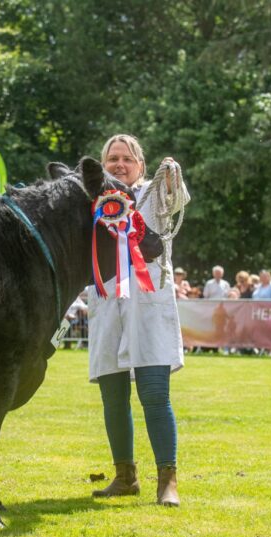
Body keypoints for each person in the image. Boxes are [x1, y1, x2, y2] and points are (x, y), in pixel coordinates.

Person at [85, 134, 188, 507]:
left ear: (141, 166)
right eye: (112, 158)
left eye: (127, 159)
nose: (119, 165)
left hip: (148, 304)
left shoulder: (151, 194)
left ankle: (168, 480)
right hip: (107, 302)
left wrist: (173, 176)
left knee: (155, 394)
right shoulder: (93, 200)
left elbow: (177, 199)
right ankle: (125, 476)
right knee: (113, 396)